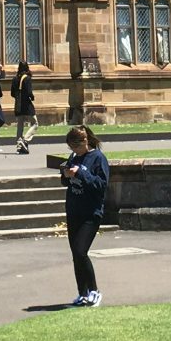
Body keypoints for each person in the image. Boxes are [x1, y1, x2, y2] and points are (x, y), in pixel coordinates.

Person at [60, 125, 110, 308]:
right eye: (70, 148)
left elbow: (101, 185)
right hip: (74, 210)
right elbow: (67, 182)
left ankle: (94, 291)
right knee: (76, 255)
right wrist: (65, 174)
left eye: (75, 147)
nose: (73, 151)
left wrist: (81, 172)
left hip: (91, 212)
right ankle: (83, 292)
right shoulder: (74, 157)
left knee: (81, 251)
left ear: (84, 142)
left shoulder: (98, 158)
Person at [11, 59, 37, 155]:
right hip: (26, 105)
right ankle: (25, 140)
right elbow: (29, 92)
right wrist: (32, 97)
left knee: (20, 125)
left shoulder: (14, 79)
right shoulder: (27, 78)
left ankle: (19, 145)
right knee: (35, 123)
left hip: (18, 105)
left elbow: (12, 93)